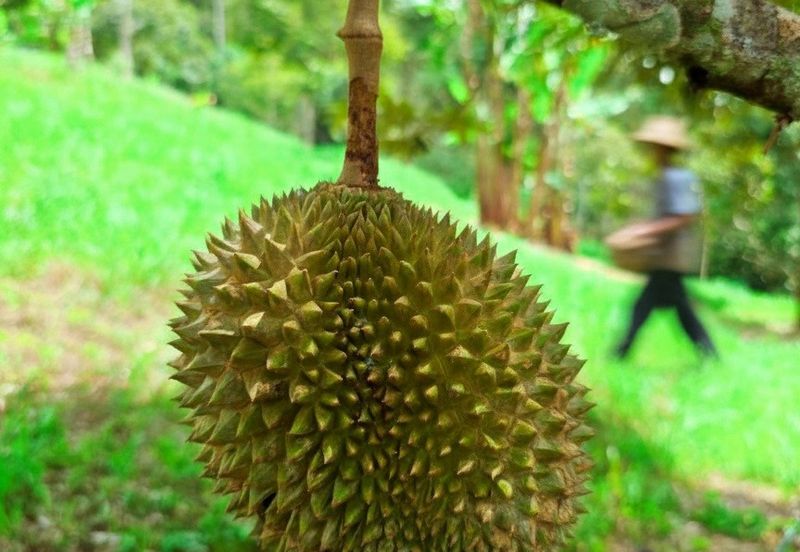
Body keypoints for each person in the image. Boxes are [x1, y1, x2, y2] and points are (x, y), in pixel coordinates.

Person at [613, 116, 718, 359]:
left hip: (671, 257)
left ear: (662, 148)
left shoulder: (676, 177)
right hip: (666, 258)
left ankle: (621, 352)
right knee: (677, 309)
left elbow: (683, 217)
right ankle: (709, 355)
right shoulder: (667, 176)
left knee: (646, 306)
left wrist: (643, 231)